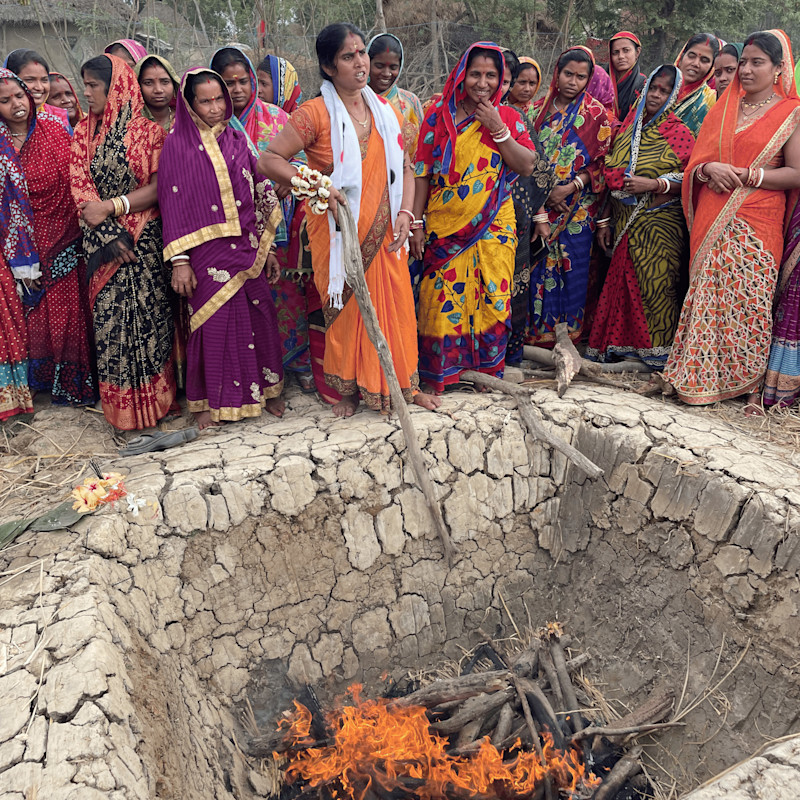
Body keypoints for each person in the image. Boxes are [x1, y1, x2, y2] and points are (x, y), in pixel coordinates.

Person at [260, 22, 439, 416]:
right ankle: (351, 391)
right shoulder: (314, 114)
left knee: (397, 307)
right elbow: (270, 159)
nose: (360, 63)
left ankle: (405, 384)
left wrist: (408, 212)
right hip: (340, 233)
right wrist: (316, 186)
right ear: (328, 67)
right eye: (348, 56)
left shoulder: (387, 111)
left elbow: (406, 168)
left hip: (388, 229)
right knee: (349, 309)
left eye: (362, 53)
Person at [662, 30, 800, 409]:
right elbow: (696, 164)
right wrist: (708, 169)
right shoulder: (722, 109)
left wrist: (750, 176)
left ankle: (742, 381)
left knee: (748, 299)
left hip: (759, 218)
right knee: (707, 295)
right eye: (744, 62)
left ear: (778, 69)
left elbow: (796, 173)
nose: (747, 69)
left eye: (758, 62)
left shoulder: (791, 112)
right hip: (714, 210)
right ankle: (697, 377)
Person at [159, 69, 285, 428]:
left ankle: (266, 391)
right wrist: (180, 262)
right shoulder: (176, 146)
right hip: (205, 254)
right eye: (206, 101)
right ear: (189, 104)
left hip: (248, 248)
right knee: (213, 325)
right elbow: (173, 206)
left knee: (259, 315)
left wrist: (270, 248)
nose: (215, 108)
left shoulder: (237, 138)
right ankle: (209, 403)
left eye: (219, 99)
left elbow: (258, 188)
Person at [410, 42, 537, 390]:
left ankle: (486, 372)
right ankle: (444, 371)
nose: (483, 83)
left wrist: (498, 128)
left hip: (494, 224)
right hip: (442, 224)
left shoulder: (509, 117)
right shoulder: (437, 115)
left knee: (492, 297)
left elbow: (526, 164)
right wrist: (416, 223)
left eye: (491, 76)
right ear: (462, 74)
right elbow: (422, 171)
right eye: (476, 74)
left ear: (501, 80)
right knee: (440, 296)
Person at [70, 55, 177, 430]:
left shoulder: (149, 132)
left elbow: (158, 187)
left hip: (144, 244)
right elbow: (81, 189)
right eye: (83, 85)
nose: (85, 93)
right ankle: (124, 416)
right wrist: (109, 237)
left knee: (150, 325)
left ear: (114, 87)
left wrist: (115, 208)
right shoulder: (83, 133)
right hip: (103, 250)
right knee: (111, 330)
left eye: (92, 85)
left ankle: (158, 406)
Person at [586, 65, 696, 369]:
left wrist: (655, 184)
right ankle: (621, 348)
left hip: (660, 224)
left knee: (655, 286)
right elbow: (610, 174)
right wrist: (604, 221)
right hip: (623, 221)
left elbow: (691, 178)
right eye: (654, 88)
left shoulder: (679, 132)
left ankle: (656, 354)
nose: (656, 95)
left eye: (664, 90)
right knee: (624, 283)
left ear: (673, 95)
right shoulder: (626, 128)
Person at [0, 68, 95, 406]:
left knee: (68, 314)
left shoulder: (56, 129)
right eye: (5, 100)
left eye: (19, 96)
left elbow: (78, 180)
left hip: (66, 237)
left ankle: (73, 388)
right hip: (20, 248)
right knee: (35, 322)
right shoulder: (0, 146)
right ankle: (40, 389)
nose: (17, 105)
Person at [527, 46, 613, 346]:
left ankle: (567, 336)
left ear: (589, 79)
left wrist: (570, 186)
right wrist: (545, 193)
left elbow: (603, 165)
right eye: (567, 74)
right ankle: (534, 334)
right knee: (536, 265)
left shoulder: (597, 116)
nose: (572, 82)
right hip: (538, 207)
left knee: (570, 265)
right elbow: (524, 158)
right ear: (556, 73)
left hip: (576, 209)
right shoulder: (535, 112)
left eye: (580, 76)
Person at [501, 50, 556, 366]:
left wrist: (537, 214)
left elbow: (540, 171)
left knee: (513, 284)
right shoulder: (453, 113)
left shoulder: (516, 119)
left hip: (514, 217)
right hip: (465, 220)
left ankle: (509, 353)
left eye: (503, 78)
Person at [210, 47, 288, 152]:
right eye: (229, 84)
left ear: (252, 81)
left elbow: (300, 157)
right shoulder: (208, 122)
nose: (238, 90)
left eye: (243, 82)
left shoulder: (277, 117)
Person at [367, 33, 424, 140]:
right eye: (379, 66)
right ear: (367, 63)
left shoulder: (410, 102)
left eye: (393, 67)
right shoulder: (355, 100)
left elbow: (420, 146)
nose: (386, 73)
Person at [4, 50, 69, 129]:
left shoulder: (58, 117)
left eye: (44, 80)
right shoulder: (3, 121)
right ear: (10, 80)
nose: (39, 87)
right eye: (30, 80)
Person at [673, 34, 720, 134]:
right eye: (691, 56)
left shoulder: (711, 102)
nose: (695, 63)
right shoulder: (656, 85)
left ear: (712, 67)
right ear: (681, 57)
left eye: (704, 60)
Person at [135, 55, 180, 131]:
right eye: (148, 83)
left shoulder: (185, 120)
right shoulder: (130, 123)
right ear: (137, 86)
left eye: (165, 82)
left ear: (174, 84)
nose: (158, 90)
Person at [608, 32, 646, 121]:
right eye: (615, 52)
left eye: (626, 50)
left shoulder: (643, 84)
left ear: (637, 52)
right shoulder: (602, 79)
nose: (621, 56)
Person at [507, 57, 542, 126]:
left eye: (532, 83)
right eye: (522, 82)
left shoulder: (537, 116)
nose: (527, 89)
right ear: (510, 81)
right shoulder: (496, 107)